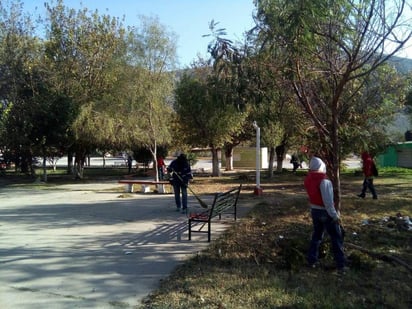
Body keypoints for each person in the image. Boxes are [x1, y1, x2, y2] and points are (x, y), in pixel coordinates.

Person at [304, 156, 346, 273]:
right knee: (336, 237)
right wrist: (335, 216)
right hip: (325, 212)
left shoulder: (308, 179)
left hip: (314, 211)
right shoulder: (325, 181)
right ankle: (341, 265)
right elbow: (328, 203)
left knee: (317, 236)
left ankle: (311, 261)